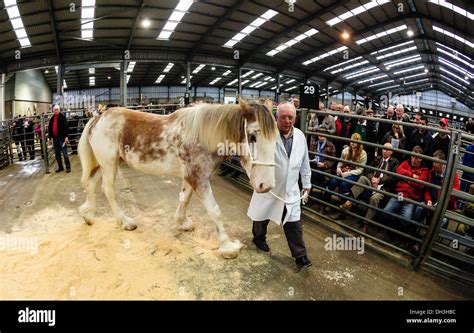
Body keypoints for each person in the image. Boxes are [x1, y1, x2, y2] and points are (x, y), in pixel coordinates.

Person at [247, 102, 312, 268]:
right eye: (284, 117)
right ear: (277, 118)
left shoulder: (300, 136)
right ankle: (258, 238)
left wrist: (307, 183)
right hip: (270, 187)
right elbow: (252, 154)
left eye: (291, 117)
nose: (287, 121)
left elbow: (305, 162)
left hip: (290, 189)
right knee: (261, 217)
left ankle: (300, 255)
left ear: (295, 119)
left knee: (294, 223)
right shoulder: (267, 134)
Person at [338, 142, 399, 230]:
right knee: (363, 178)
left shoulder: (394, 162)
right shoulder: (377, 159)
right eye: (383, 149)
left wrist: (379, 181)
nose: (384, 151)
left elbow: (392, 177)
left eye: (387, 150)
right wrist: (373, 179)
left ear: (391, 152)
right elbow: (367, 171)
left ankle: (366, 224)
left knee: (374, 198)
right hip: (372, 182)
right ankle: (349, 202)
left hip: (382, 187)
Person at [48, 105, 71, 173]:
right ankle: (60, 167)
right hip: (55, 139)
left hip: (62, 139)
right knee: (57, 154)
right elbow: (50, 129)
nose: (56, 111)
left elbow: (66, 127)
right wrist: (50, 138)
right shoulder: (52, 119)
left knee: (65, 154)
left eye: (57, 109)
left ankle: (68, 167)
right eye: (55, 110)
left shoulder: (63, 117)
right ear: (53, 110)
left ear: (59, 110)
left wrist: (66, 137)